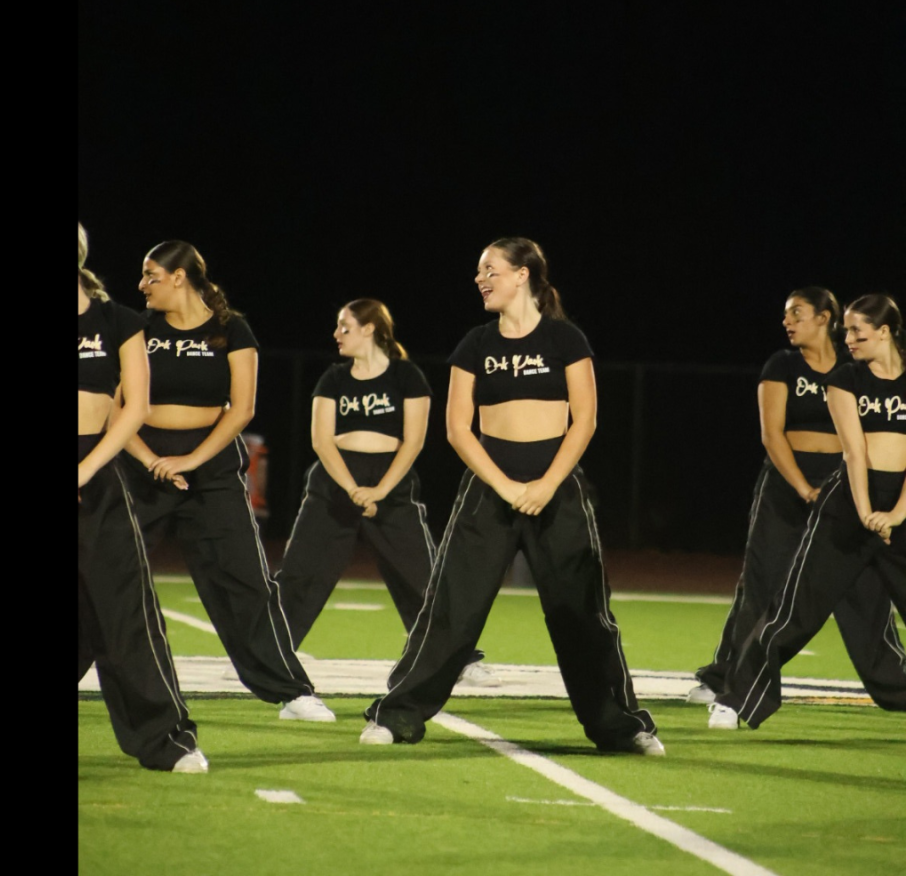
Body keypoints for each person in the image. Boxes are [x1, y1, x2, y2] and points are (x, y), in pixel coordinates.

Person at [360, 237, 663, 754]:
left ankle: (620, 726)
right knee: (452, 609)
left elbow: (585, 419)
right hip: (488, 491)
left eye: (490, 270)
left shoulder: (565, 338)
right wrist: (503, 486)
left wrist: (546, 485)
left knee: (582, 613)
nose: (480, 279)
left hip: (557, 489)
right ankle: (397, 715)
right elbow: (458, 429)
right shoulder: (475, 344)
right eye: (479, 271)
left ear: (523, 274)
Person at [122, 240, 335, 722]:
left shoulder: (232, 329)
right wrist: (152, 459)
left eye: (151, 275)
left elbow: (242, 409)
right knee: (103, 573)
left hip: (212, 468)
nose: (142, 285)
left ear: (180, 277)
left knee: (245, 581)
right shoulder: (136, 328)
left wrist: (191, 460)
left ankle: (290, 691)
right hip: (142, 465)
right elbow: (116, 406)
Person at [687, 288, 906, 721]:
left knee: (869, 608)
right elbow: (854, 453)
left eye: (858, 332)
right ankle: (735, 697)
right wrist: (865, 511)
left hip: (898, 506)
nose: (849, 339)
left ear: (884, 332)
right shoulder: (844, 379)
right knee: (794, 609)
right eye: (847, 332)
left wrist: (897, 513)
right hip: (848, 502)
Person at [278, 300, 495, 685]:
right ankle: (270, 654)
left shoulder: (407, 376)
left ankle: (457, 658)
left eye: (345, 326)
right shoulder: (333, 378)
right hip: (335, 479)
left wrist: (380, 490)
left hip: (391, 482)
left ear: (369, 329)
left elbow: (413, 442)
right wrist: (353, 489)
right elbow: (321, 441)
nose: (336, 334)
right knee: (300, 571)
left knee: (422, 574)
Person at [77, 224, 207, 773]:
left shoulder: (119, 321)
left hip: (97, 473)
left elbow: (135, 406)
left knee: (127, 613)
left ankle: (163, 739)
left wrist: (86, 470)